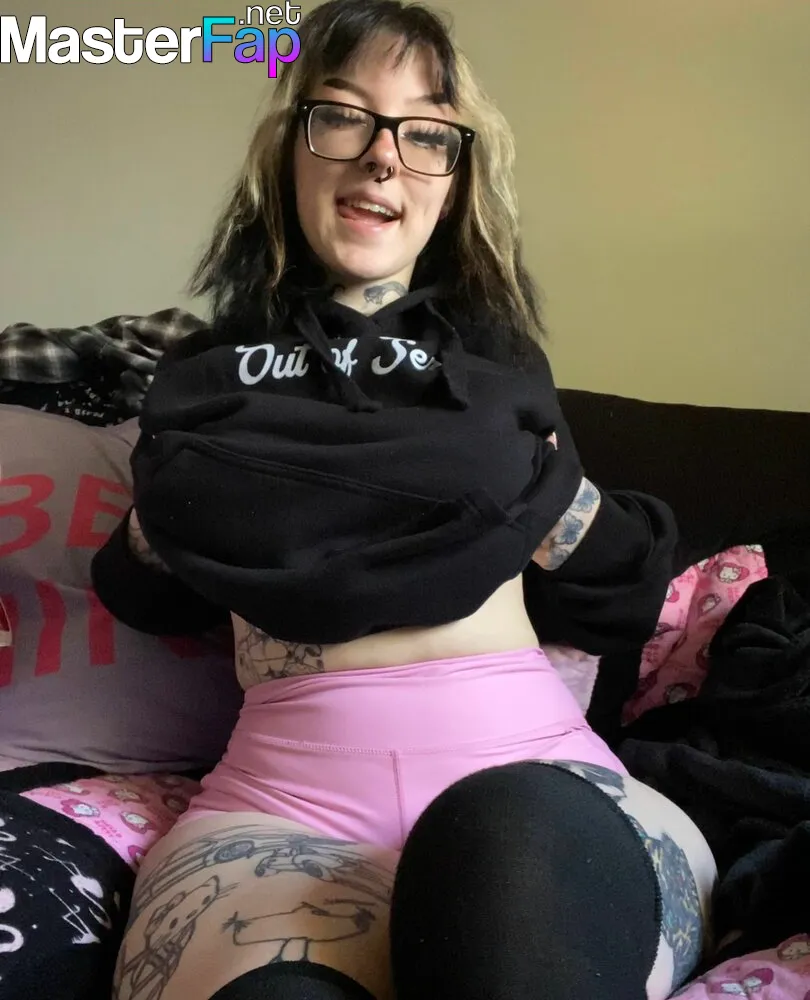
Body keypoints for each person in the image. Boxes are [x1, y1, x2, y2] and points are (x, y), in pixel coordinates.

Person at [92, 2, 717, 997]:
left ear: (454, 179)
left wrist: (529, 491)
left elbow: (614, 599)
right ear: (287, 150)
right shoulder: (204, 377)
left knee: (501, 854)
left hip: (535, 790)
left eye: (426, 132)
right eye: (343, 116)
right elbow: (144, 589)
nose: (383, 156)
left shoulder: (499, 367)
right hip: (281, 813)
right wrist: (180, 504)